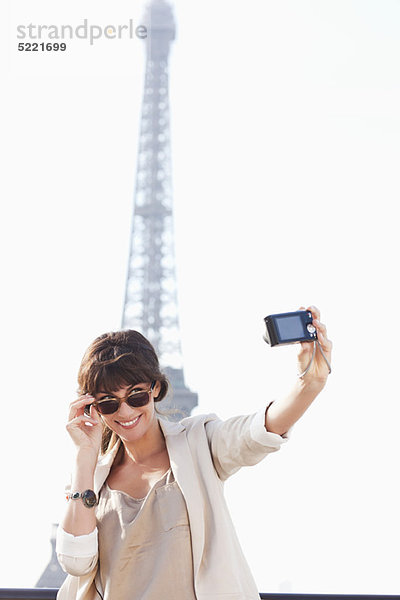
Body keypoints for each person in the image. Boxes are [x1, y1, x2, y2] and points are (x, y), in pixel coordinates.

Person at [56, 305, 332, 600]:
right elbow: (76, 561)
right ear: (92, 408)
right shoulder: (91, 480)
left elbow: (257, 431)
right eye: (109, 402)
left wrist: (309, 385)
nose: (125, 411)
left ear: (156, 389)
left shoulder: (199, 442)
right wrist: (85, 457)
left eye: (136, 396)